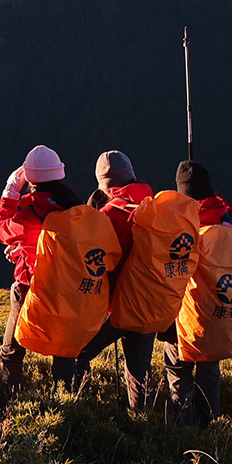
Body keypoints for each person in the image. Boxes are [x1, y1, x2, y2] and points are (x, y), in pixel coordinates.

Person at [158, 161, 232, 425]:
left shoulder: (181, 223)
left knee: (179, 372)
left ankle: (183, 429)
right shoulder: (229, 220)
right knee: (209, 371)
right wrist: (214, 198)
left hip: (184, 314)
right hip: (216, 312)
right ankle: (210, 426)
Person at [0, 145, 85, 393]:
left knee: (11, 354)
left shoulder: (26, 210)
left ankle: (11, 407)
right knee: (64, 355)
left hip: (30, 291)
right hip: (67, 292)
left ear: (29, 178)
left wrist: (11, 191)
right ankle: (67, 405)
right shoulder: (73, 207)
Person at [71, 151, 157, 407]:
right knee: (139, 371)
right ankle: (145, 427)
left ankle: (82, 414)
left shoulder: (108, 215)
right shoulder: (154, 204)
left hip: (120, 304)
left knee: (77, 353)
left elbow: (96, 263)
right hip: (152, 302)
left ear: (105, 186)